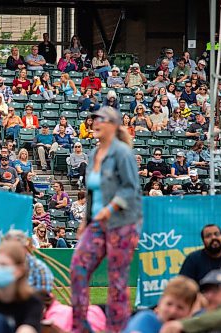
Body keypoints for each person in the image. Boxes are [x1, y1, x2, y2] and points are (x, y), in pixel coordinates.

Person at [70, 106, 141, 333]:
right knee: (78, 268)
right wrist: (85, 222)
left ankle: (116, 329)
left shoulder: (122, 153)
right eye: (93, 120)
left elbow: (131, 189)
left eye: (101, 119)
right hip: (97, 223)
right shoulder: (93, 153)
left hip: (121, 223)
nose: (95, 123)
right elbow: (91, 192)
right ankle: (80, 327)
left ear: (113, 124)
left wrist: (109, 209)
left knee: (117, 280)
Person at [160, 269, 221, 333]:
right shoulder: (206, 318)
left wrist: (184, 325)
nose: (209, 295)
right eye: (206, 290)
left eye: (216, 289)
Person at [123, 276, 199, 333]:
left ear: (190, 312)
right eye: (169, 304)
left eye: (180, 307)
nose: (173, 311)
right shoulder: (146, 319)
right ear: (160, 303)